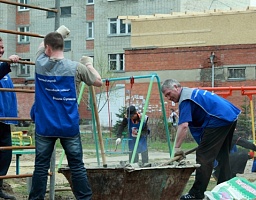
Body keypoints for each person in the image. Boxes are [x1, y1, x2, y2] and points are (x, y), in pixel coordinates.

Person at [28, 26, 102, 200]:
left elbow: (41, 46)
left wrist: (60, 31)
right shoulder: (76, 68)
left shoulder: (39, 63)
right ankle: (85, 198)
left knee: (40, 167)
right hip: (69, 126)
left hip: (45, 127)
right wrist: (88, 64)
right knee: (77, 166)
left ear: (47, 48)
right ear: (63, 47)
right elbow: (98, 81)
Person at [161, 79, 241, 200]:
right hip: (229, 115)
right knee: (222, 155)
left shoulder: (185, 99)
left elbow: (183, 126)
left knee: (203, 156)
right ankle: (225, 187)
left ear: (176, 87)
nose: (168, 98)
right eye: (166, 96)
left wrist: (177, 148)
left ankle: (196, 194)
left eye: (168, 93)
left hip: (219, 118)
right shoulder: (191, 92)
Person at [0, 36, 20, 200]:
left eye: (2, 47)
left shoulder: (3, 68)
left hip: (5, 120)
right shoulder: (3, 67)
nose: (2, 50)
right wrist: (7, 64)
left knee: (6, 154)